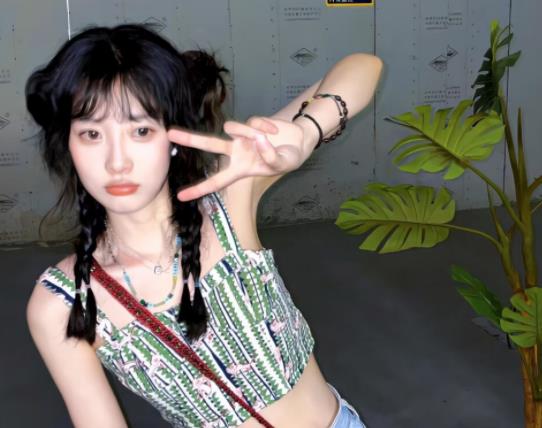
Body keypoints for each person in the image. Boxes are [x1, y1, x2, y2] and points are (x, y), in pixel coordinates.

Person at [24, 23, 382, 428]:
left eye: (140, 130)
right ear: (68, 145)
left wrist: (305, 131)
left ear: (173, 137)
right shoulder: (62, 303)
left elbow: (363, 66)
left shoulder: (228, 195)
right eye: (91, 133)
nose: (117, 161)